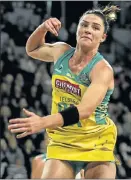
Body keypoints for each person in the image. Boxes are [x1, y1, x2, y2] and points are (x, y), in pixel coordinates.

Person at [8, 5, 120, 179]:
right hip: (63, 139)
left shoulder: (102, 70)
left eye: (95, 28)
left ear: (103, 37)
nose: (88, 30)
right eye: (84, 25)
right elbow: (31, 49)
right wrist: (43, 28)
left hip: (96, 141)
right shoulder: (61, 51)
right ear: (77, 29)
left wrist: (43, 122)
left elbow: (84, 110)